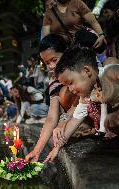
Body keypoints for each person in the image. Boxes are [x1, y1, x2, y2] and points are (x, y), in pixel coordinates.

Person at [25, 33, 79, 162]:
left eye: (54, 60)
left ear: (66, 53)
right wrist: (37, 149)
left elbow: (84, 99)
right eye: (46, 62)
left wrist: (63, 121)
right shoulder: (54, 80)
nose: (51, 66)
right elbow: (51, 117)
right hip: (73, 117)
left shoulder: (81, 68)